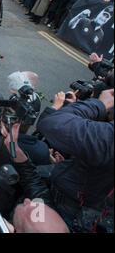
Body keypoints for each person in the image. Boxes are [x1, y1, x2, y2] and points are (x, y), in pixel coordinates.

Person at [37, 89, 114, 231]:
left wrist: (100, 104)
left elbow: (52, 123)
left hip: (72, 205)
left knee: (33, 219)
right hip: (93, 200)